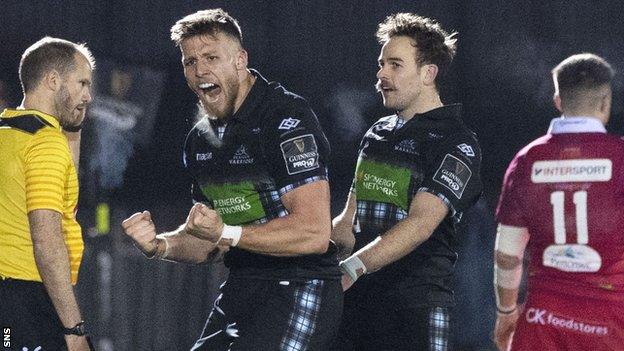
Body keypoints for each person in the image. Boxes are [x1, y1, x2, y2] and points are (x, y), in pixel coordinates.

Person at [121, 9, 342, 350]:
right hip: (242, 285)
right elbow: (209, 242)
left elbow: (314, 232)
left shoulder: (285, 119)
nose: (200, 71)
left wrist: (226, 232)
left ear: (240, 60)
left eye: (211, 57)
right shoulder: (200, 139)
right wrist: (159, 245)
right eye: (189, 61)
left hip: (301, 286)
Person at [331, 13, 483, 351]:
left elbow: (420, 224)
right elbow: (347, 223)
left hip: (414, 311)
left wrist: (353, 267)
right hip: (356, 308)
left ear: (428, 73)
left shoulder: (457, 142)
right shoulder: (377, 133)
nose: (381, 75)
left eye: (395, 65)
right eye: (381, 64)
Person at [494, 54, 623, 350]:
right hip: (611, 321)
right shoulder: (621, 159)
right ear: (606, 102)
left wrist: (506, 312)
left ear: (557, 100)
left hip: (544, 320)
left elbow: (507, 254)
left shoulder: (527, 159)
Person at [0, 37, 95, 350]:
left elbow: (67, 194)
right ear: (53, 80)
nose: (88, 95)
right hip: (25, 301)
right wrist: (74, 329)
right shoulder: (45, 143)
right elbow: (47, 240)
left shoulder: (9, 132)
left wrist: (75, 121)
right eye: (82, 83)